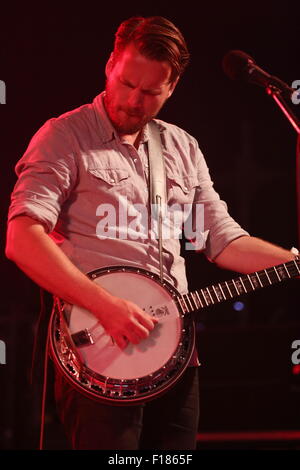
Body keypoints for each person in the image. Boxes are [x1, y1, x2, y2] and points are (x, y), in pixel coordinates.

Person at [5, 16, 297, 450]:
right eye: (126, 83)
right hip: (97, 355)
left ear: (172, 87)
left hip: (176, 356)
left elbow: (222, 240)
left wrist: (292, 262)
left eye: (149, 92)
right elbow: (22, 238)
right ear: (109, 65)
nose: (132, 101)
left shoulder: (183, 147)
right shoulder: (63, 136)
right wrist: (104, 306)